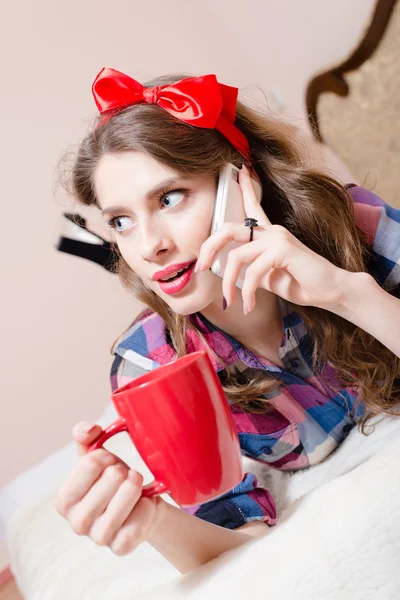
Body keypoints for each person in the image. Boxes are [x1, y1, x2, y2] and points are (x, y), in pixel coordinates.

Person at [55, 67, 400, 575]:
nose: (149, 246)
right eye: (121, 222)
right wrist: (153, 521)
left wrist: (346, 294)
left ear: (241, 182)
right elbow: (240, 537)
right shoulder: (149, 364)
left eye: (169, 198)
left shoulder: (350, 223)